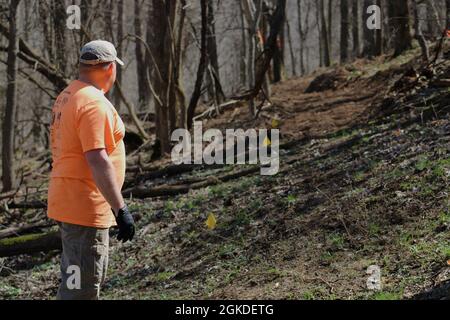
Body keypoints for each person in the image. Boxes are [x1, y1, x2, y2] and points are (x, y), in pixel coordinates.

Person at [47, 40, 135, 300]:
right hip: (85, 206)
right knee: (81, 291)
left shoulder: (68, 96)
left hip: (70, 202)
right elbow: (97, 158)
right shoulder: (93, 103)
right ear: (110, 68)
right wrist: (121, 209)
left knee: (76, 282)